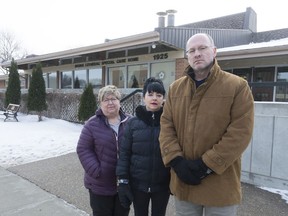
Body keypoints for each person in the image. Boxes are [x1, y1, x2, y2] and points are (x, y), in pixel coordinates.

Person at [159, 33, 254, 216]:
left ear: (214, 51)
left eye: (202, 48)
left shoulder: (237, 86)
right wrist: (176, 161)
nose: (197, 54)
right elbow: (166, 126)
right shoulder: (175, 89)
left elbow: (240, 133)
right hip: (184, 184)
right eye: (192, 50)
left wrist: (206, 165)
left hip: (220, 186)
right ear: (187, 56)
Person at [116, 77, 171, 216]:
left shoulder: (169, 122)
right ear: (144, 97)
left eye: (159, 95)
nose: (154, 98)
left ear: (163, 99)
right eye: (150, 94)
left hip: (162, 184)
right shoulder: (133, 124)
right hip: (138, 184)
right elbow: (124, 153)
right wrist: (123, 180)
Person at [76, 85, 131, 216]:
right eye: (106, 100)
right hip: (100, 185)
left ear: (119, 101)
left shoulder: (131, 121)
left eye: (114, 98)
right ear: (100, 103)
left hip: (125, 183)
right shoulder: (92, 124)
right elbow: (83, 149)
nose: (110, 102)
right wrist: (97, 170)